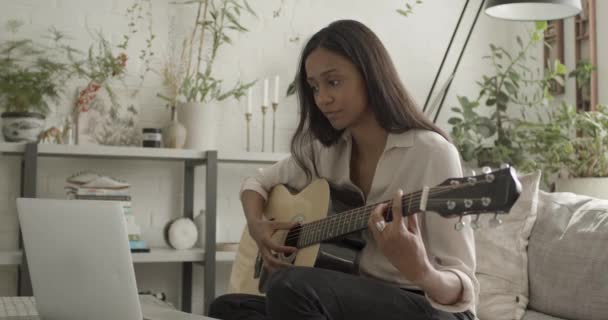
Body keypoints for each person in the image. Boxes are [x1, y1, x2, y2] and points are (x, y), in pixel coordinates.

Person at [209, 19, 477, 320]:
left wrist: (422, 270)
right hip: (348, 300)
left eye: (333, 82)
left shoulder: (432, 153)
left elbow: (463, 290)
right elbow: (255, 184)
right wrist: (258, 227)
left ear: (371, 75)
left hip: (427, 306)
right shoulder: (326, 151)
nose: (322, 98)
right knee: (228, 307)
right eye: (314, 87)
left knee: (291, 287)